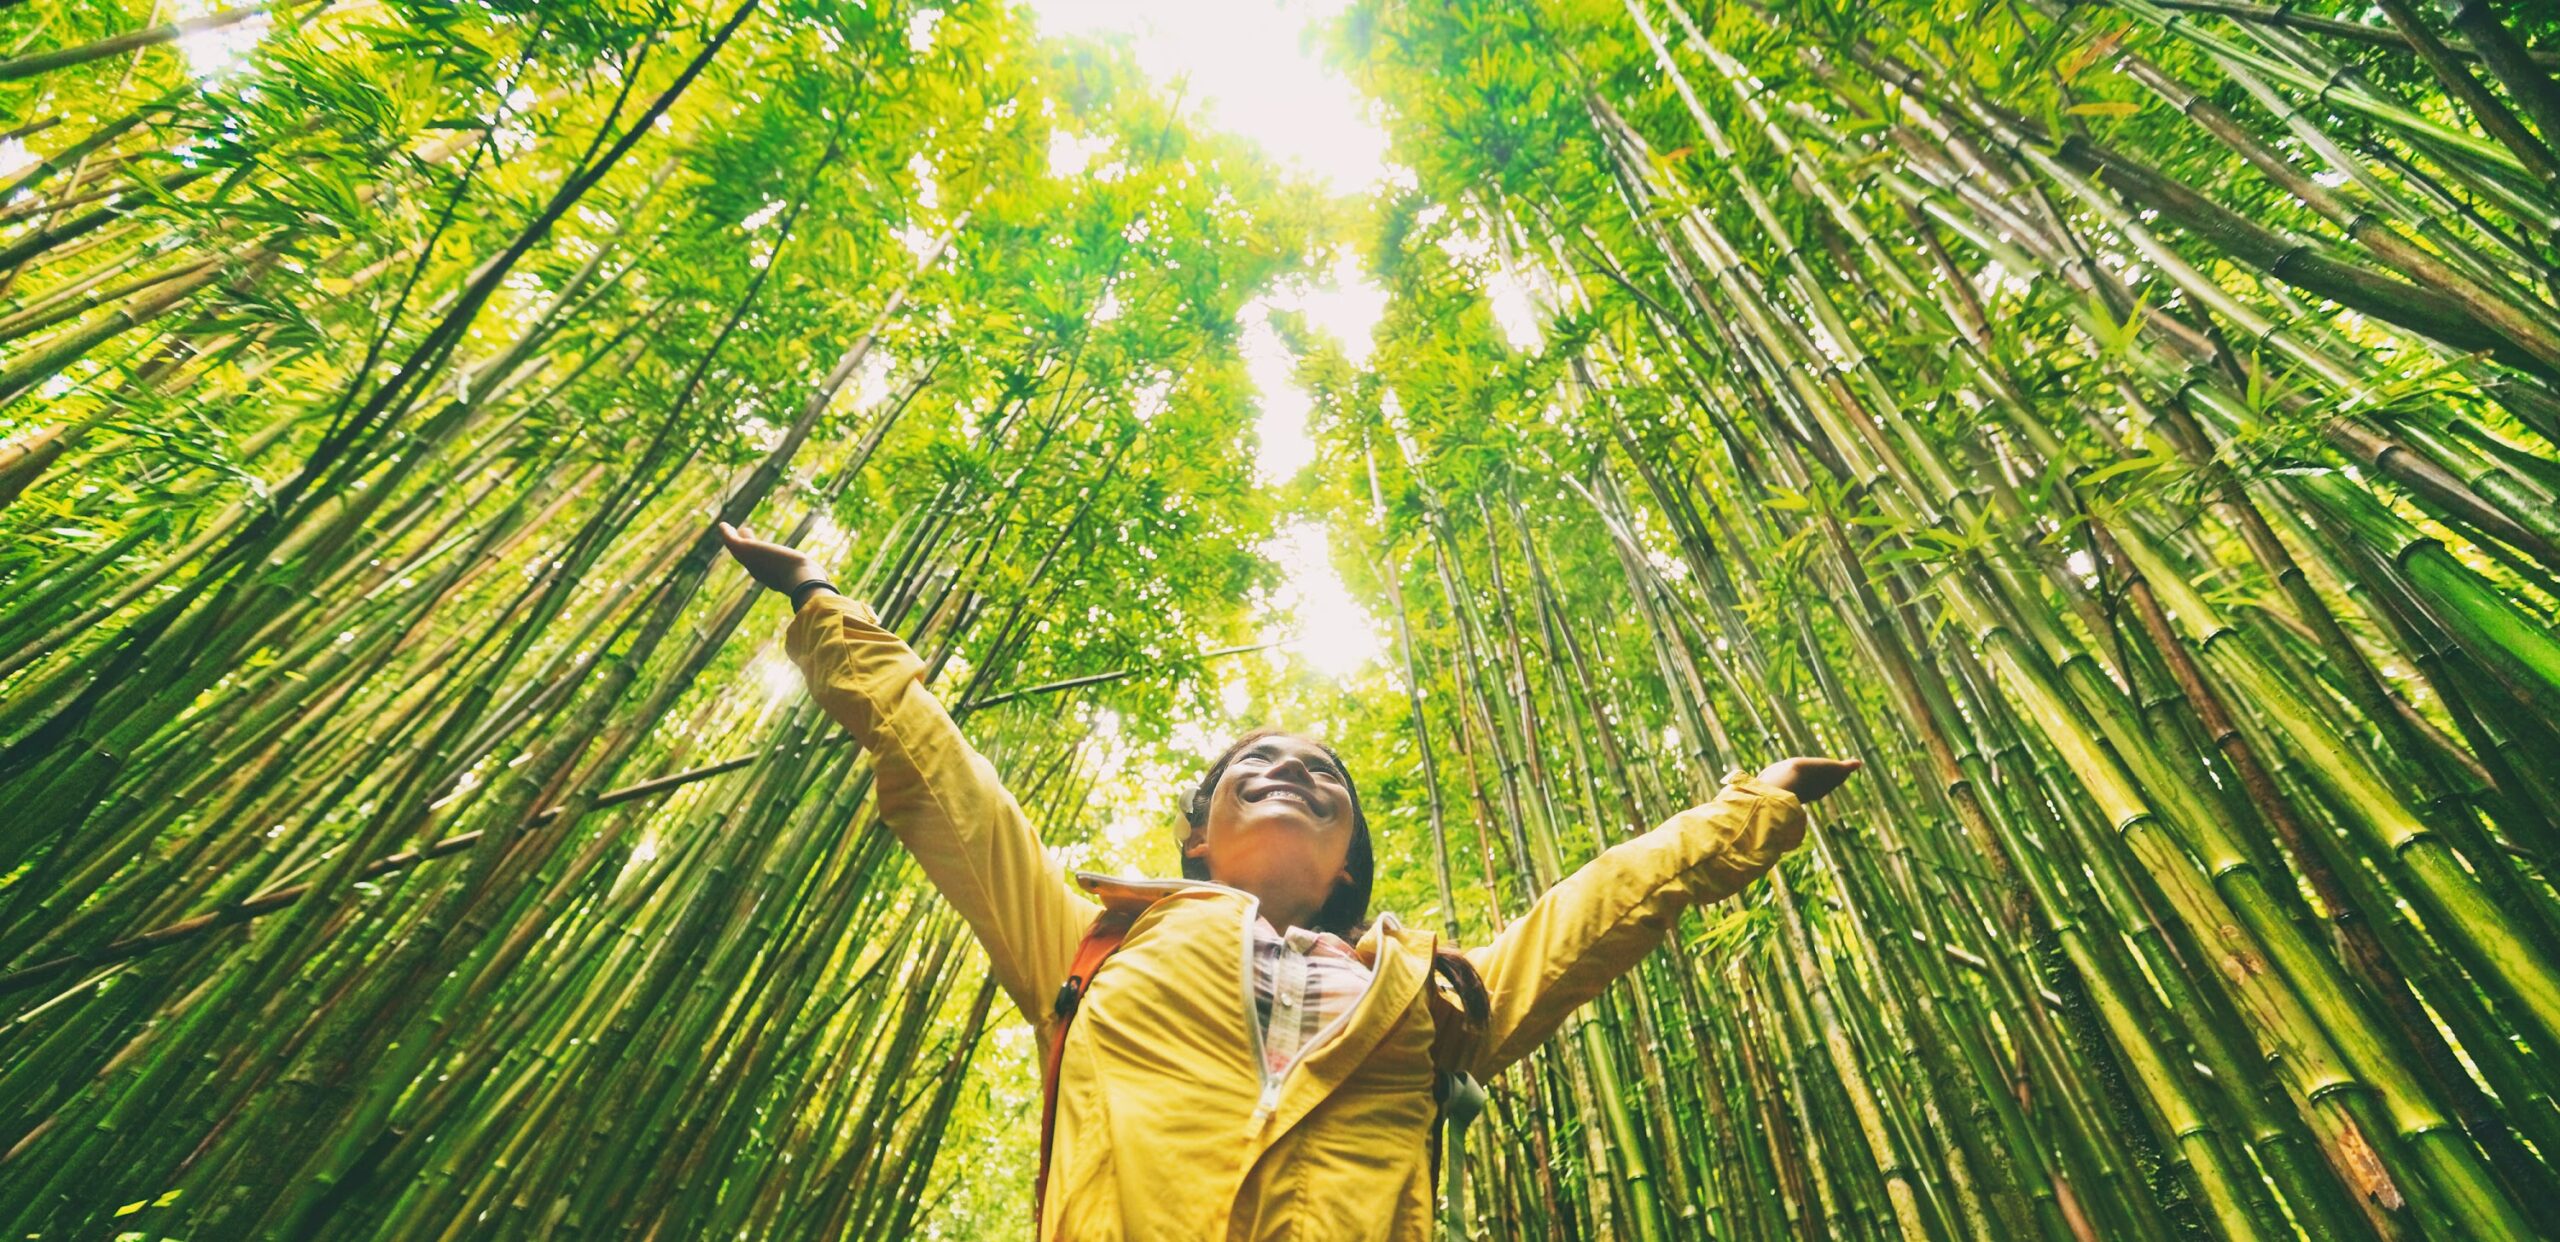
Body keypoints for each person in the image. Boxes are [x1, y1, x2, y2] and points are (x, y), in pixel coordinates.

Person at [719, 521, 1859, 1241]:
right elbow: (940, 775)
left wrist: (1751, 808)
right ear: (1196, 838)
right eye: (1250, 766)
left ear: (1350, 856)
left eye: (1322, 773)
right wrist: (823, 603)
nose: (1288, 772)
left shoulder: (1437, 995)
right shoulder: (1085, 939)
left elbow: (1597, 908)